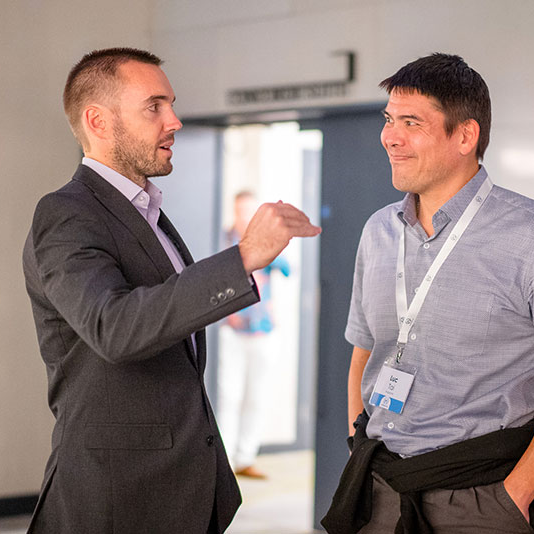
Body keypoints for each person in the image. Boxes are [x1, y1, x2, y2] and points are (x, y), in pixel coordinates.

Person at [22, 47, 320, 534]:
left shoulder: (148, 214)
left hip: (180, 491)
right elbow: (114, 328)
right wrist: (243, 257)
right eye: (154, 107)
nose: (174, 121)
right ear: (98, 121)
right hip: (117, 499)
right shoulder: (66, 213)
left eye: (172, 105)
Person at [321, 54, 534, 534]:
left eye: (411, 123)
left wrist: (514, 497)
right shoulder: (378, 232)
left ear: (465, 136)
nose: (390, 137)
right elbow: (364, 352)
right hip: (379, 491)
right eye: (389, 120)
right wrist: (357, 449)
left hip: (482, 497)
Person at [219, 191, 292, 479]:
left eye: (252, 211)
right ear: (234, 212)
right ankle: (225, 461)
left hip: (264, 332)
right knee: (229, 396)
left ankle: (245, 457)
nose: (246, 217)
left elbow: (286, 269)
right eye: (242, 211)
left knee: (257, 397)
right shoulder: (224, 241)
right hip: (233, 331)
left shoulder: (265, 240)